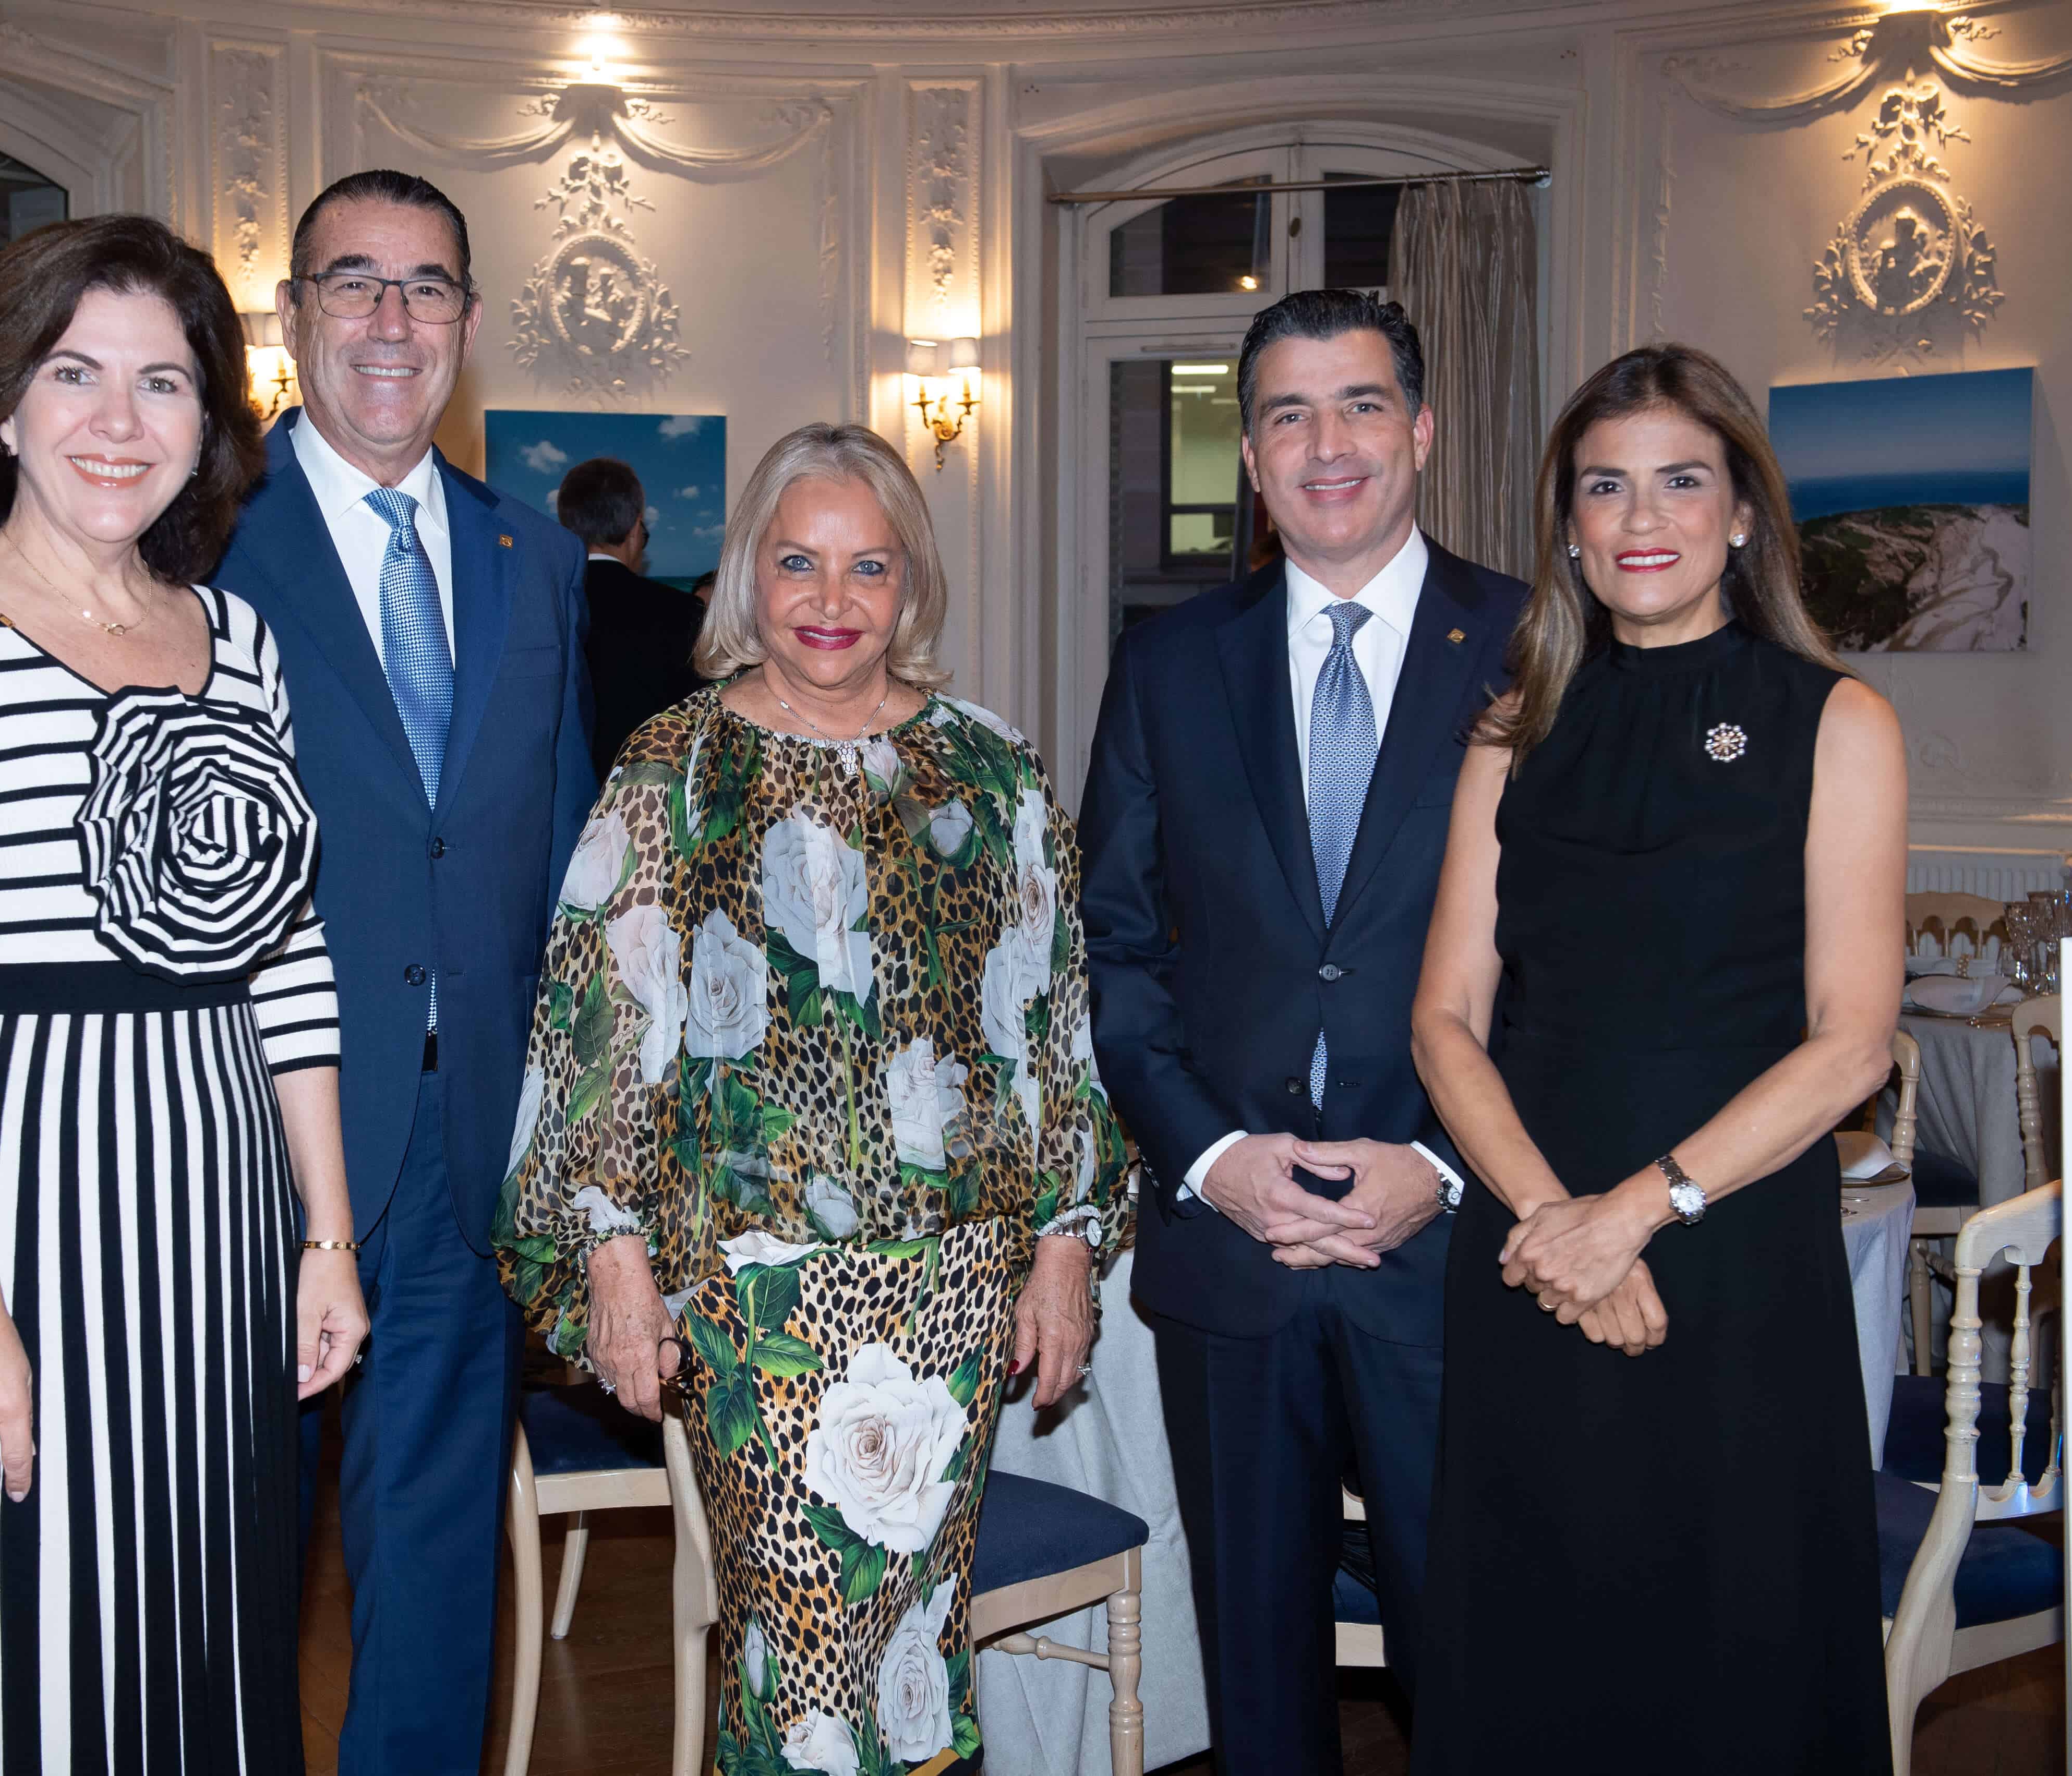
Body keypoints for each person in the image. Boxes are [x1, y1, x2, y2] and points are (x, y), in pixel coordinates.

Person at [0, 214, 365, 1774]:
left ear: (211, 423)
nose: (121, 424)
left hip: (218, 1226)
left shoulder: (238, 642)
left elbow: (287, 956)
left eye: (165, 384)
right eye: (76, 374)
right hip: (9, 1223)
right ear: (1, 400)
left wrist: (324, 1237)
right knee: (15, 1664)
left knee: (202, 1634)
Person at [497, 422, 1136, 1774]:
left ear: (908, 582)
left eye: (865, 566)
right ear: (747, 574)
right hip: (753, 1297)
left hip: (951, 1287)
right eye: (798, 562)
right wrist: (612, 1259)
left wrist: (1065, 1242)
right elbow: (596, 1036)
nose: (830, 601)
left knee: (913, 1656)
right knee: (795, 1665)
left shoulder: (991, 768)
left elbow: (1051, 1023)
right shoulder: (669, 768)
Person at [1408, 345, 1901, 1773]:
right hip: (1527, 1250)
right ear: (1564, 523)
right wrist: (1553, 1224)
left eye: (1681, 481)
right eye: (1604, 485)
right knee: (1539, 1646)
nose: (1642, 516)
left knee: (1729, 1654)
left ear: (1742, 512)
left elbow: (1850, 1041)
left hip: (1731, 1258)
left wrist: (1630, 1216)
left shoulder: (1836, 720)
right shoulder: (1511, 726)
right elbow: (1443, 1018)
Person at [1076, 289, 1526, 1773]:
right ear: (1251, 460)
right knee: (1255, 1684)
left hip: (1459, 1255)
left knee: (1480, 1653)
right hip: (1232, 1251)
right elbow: (1118, 949)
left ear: (1422, 428)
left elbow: (1581, 968)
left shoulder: (1535, 648)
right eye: (1285, 414)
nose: (1324, 444)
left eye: (1357, 404)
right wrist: (1209, 1157)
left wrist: (1446, 1167)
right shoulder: (1164, 663)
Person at [211, 168, 597, 1776]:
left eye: (425, 287)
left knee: (435, 1551)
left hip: (468, 1145)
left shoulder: (534, 558)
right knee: (218, 1559)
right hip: (241, 1132)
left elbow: (560, 851)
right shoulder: (200, 542)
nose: (389, 319)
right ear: (290, 317)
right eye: (351, 283)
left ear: (470, 325)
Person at [557, 454, 705, 769]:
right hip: (651, 803)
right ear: (635, 528)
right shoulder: (683, 613)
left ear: (566, 527)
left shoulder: (543, 608)